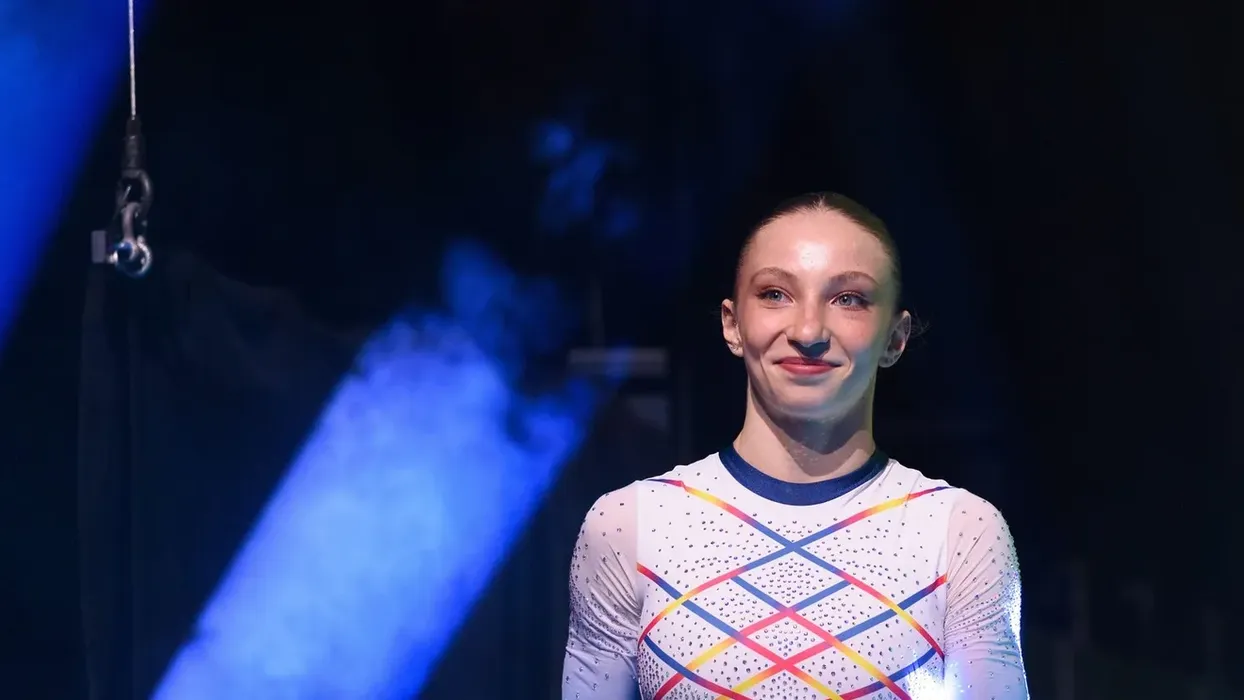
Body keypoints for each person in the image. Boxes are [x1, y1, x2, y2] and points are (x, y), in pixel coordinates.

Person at [562, 192, 1027, 700]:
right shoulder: (628, 525)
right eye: (775, 294)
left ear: (895, 338)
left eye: (849, 299)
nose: (808, 331)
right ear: (732, 324)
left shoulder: (960, 531)